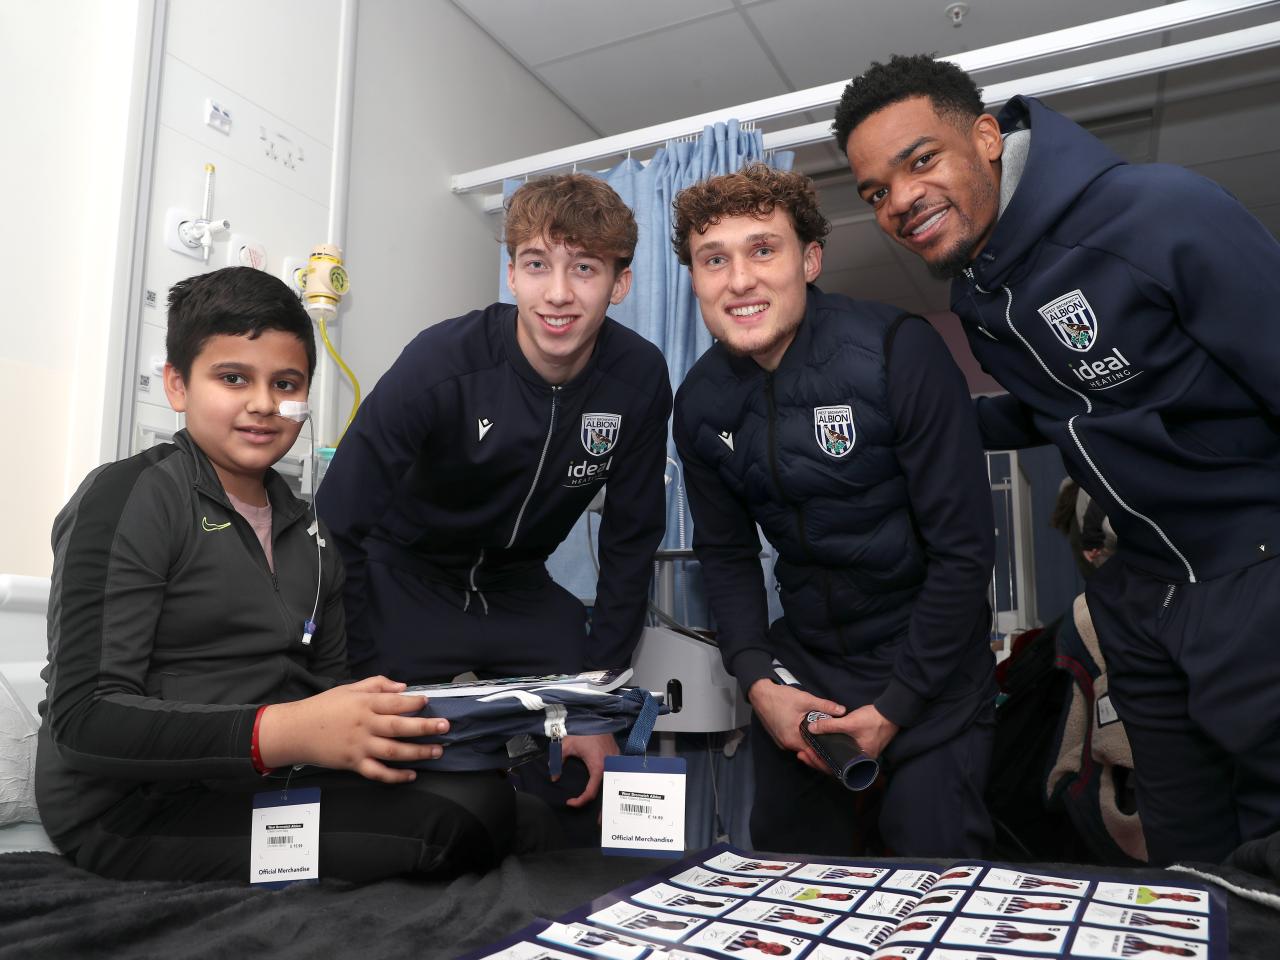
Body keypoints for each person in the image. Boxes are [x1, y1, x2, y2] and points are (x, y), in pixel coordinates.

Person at [836, 53, 1280, 865]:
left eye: (920, 160)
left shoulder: (1157, 214)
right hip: (1141, 598)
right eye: (875, 193)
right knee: (1184, 858)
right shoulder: (979, 295)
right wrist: (927, 422)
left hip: (1252, 569)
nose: (900, 201)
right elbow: (1065, 409)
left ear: (986, 137)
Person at [37, 267, 518, 882]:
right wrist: (286, 731)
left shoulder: (312, 537)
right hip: (134, 808)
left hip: (259, 779)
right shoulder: (129, 497)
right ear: (177, 386)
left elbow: (327, 692)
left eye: (285, 383)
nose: (264, 404)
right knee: (464, 822)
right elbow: (86, 721)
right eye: (233, 378)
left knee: (495, 789)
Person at [316, 174, 672, 836]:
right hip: (410, 575)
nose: (558, 293)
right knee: (388, 761)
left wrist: (593, 697)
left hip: (517, 588)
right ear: (512, 274)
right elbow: (338, 522)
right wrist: (353, 671)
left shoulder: (640, 376)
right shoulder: (441, 362)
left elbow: (633, 534)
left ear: (619, 283)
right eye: (538, 265)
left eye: (585, 269)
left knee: (587, 766)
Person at [671, 163, 996, 858]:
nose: (740, 280)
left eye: (764, 249)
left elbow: (963, 551)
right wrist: (757, 681)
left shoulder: (895, 353)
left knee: (931, 889)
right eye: (714, 259)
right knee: (793, 893)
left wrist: (898, 705)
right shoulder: (699, 403)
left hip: (929, 668)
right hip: (807, 677)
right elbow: (725, 556)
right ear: (694, 280)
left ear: (810, 259)